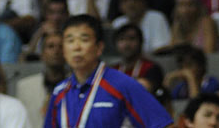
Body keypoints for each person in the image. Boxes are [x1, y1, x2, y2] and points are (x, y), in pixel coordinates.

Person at [44, 14, 174, 127]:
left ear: (99, 48)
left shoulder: (123, 85)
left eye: (84, 40)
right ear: (64, 50)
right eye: (70, 40)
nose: (77, 47)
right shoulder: (59, 92)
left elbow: (164, 124)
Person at [16, 31, 66, 128]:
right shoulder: (25, 87)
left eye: (61, 46)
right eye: (51, 46)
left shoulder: (77, 86)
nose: (56, 51)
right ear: (42, 54)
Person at [111, 23, 164, 89]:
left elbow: (147, 89)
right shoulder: (113, 70)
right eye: (122, 39)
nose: (127, 44)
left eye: (132, 39)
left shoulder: (151, 68)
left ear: (141, 42)